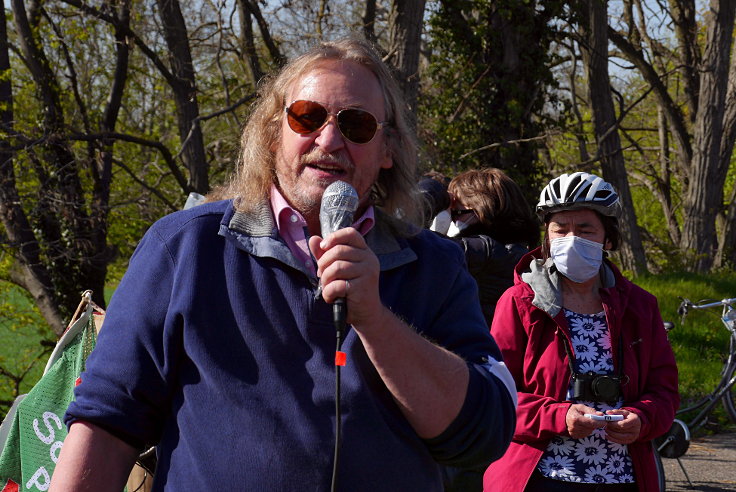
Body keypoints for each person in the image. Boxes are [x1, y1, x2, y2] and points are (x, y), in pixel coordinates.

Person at [50, 37, 517, 492]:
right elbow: (105, 423)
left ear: (387, 149)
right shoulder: (185, 248)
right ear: (274, 134)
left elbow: (484, 432)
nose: (330, 139)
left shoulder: (435, 265)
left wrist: (374, 319)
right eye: (307, 117)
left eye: (356, 125)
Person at [484, 172, 678, 491]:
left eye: (585, 229)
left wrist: (642, 418)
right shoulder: (520, 303)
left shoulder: (641, 306)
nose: (571, 238)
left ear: (608, 238)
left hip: (624, 476)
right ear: (547, 237)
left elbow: (665, 391)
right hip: (541, 476)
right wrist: (559, 416)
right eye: (560, 229)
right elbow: (497, 395)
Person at [446, 167, 539, 325]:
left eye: (457, 213)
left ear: (482, 210)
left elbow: (417, 247)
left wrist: (431, 197)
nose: (452, 220)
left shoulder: (483, 250)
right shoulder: (520, 252)